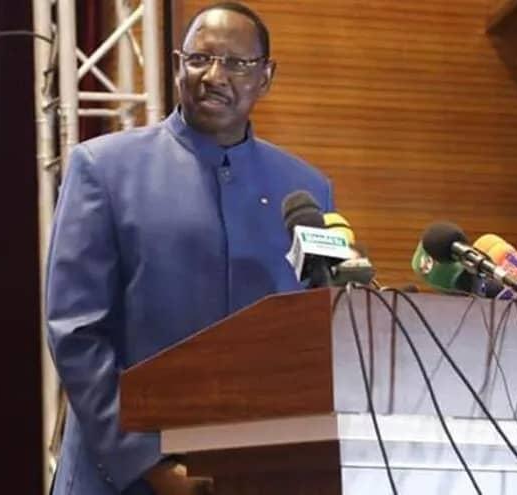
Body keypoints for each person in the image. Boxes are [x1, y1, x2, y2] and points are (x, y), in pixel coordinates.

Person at [46, 3, 333, 494]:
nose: (215, 77)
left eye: (237, 63)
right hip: (120, 475)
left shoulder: (305, 190)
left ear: (266, 77)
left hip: (260, 473)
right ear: (178, 65)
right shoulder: (104, 168)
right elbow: (77, 333)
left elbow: (317, 333)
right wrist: (151, 465)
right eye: (200, 59)